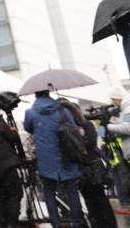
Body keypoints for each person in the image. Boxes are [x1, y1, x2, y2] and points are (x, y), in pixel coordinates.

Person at [23, 90, 85, 228]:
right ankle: (76, 222)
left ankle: (56, 224)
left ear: (36, 95)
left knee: (49, 192)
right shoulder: (63, 111)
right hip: (66, 155)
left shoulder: (30, 113)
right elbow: (74, 129)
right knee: (72, 191)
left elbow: (28, 129)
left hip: (46, 159)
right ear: (48, 93)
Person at [59, 98, 118, 228]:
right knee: (92, 200)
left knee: (99, 200)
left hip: (90, 168)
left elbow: (90, 143)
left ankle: (107, 224)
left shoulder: (85, 125)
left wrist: (76, 146)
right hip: (84, 169)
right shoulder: (67, 129)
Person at [107, 85, 130, 206]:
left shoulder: (124, 110)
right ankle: (124, 201)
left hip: (119, 151)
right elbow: (101, 134)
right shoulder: (116, 113)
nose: (113, 103)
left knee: (123, 177)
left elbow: (127, 128)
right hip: (114, 153)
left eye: (113, 99)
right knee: (119, 177)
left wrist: (108, 126)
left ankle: (125, 201)